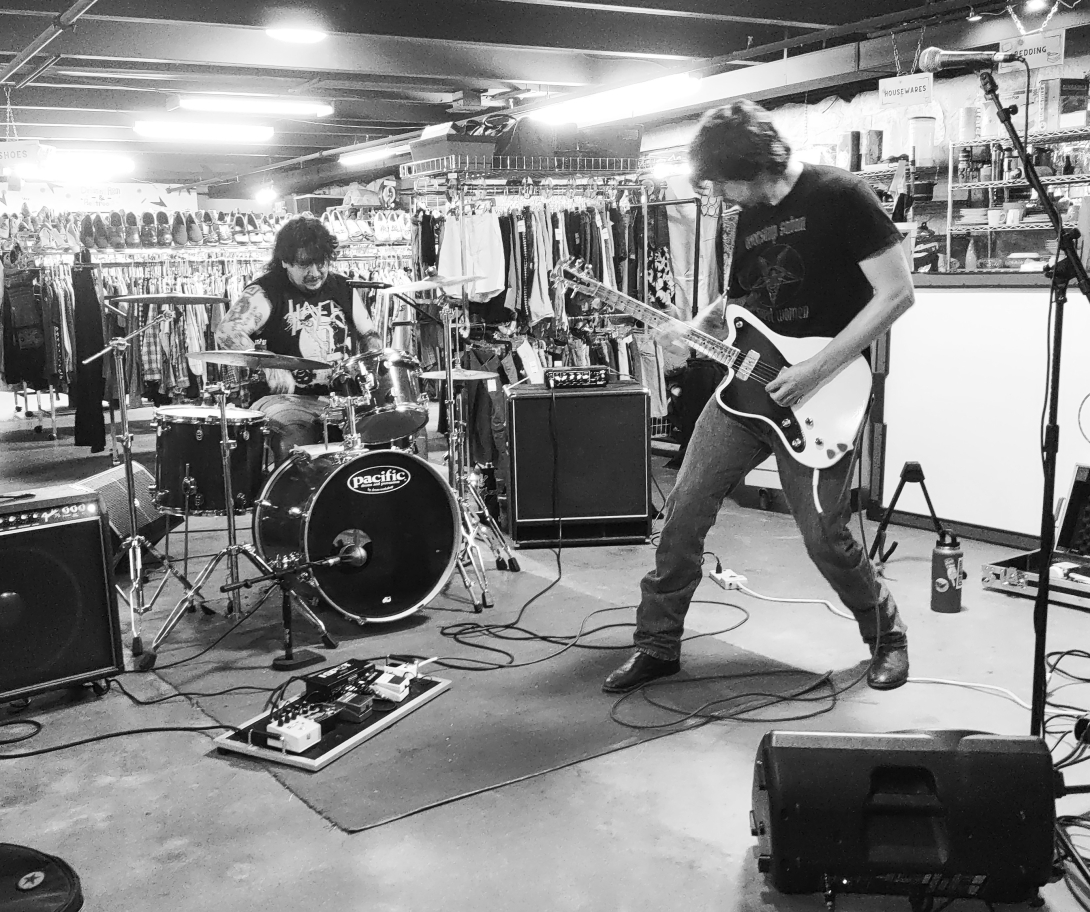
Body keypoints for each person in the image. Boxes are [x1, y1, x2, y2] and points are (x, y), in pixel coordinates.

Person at [604, 101, 915, 694]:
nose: (718, 194)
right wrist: (695, 326)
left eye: (723, 181)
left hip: (821, 392)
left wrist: (816, 370)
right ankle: (658, 644)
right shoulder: (746, 216)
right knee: (683, 511)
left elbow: (897, 293)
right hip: (745, 392)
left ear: (755, 164)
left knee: (824, 534)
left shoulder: (842, 195)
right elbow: (740, 300)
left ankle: (888, 638)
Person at [215, 215, 382, 463]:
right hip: (285, 400)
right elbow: (226, 332)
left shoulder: (343, 287)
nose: (314, 273)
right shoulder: (267, 290)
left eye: (320, 263)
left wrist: (374, 369)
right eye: (304, 264)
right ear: (285, 261)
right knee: (294, 438)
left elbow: (369, 334)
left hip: (342, 399)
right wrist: (269, 364)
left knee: (389, 429)